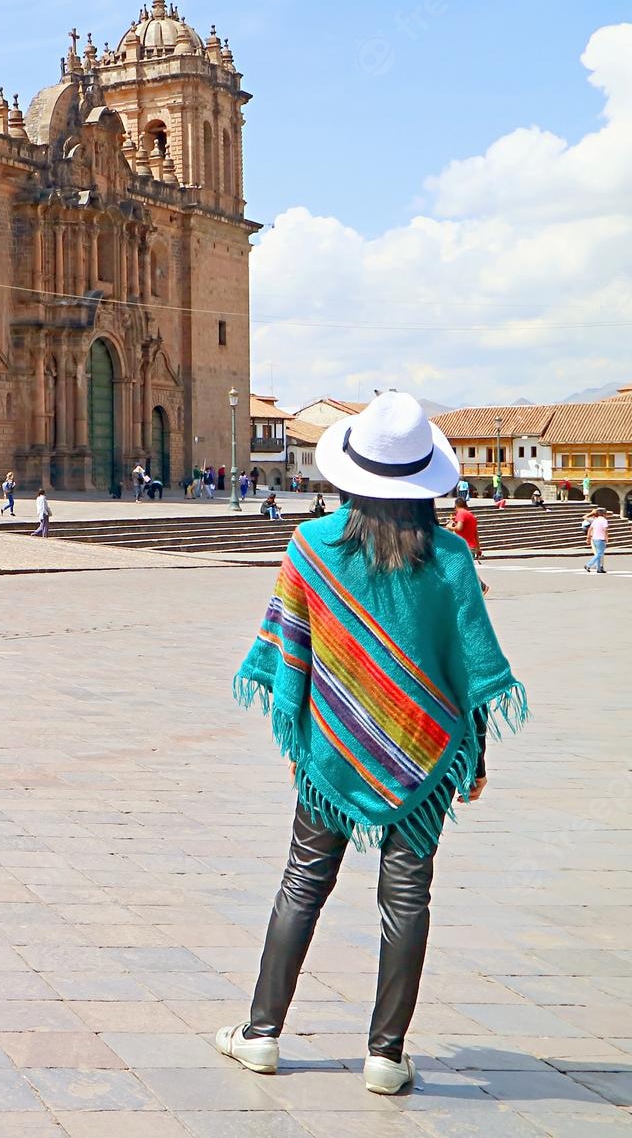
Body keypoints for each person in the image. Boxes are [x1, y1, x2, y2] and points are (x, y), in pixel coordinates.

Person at [218, 392, 526, 1097]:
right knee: (408, 895)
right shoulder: (450, 558)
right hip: (422, 752)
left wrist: (302, 730)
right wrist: (473, 758)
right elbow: (468, 671)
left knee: (302, 880)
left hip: (329, 752)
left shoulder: (312, 548)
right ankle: (386, 1054)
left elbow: (291, 651)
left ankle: (261, 1034)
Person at [448, 496, 486, 591]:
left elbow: (459, 528)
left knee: (462, 568)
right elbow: (476, 534)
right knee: (464, 568)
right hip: (471, 546)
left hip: (464, 546)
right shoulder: (471, 516)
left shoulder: (461, 513)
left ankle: (481, 586)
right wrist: (478, 548)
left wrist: (450, 526)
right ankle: (473, 588)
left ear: (456, 505)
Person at [584, 506, 611, 573]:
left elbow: (590, 529)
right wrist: (606, 538)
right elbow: (605, 530)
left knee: (599, 554)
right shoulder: (604, 521)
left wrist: (588, 537)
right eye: (606, 514)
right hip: (601, 538)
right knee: (599, 554)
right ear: (604, 514)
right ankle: (588, 564)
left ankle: (599, 568)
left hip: (594, 538)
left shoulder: (595, 520)